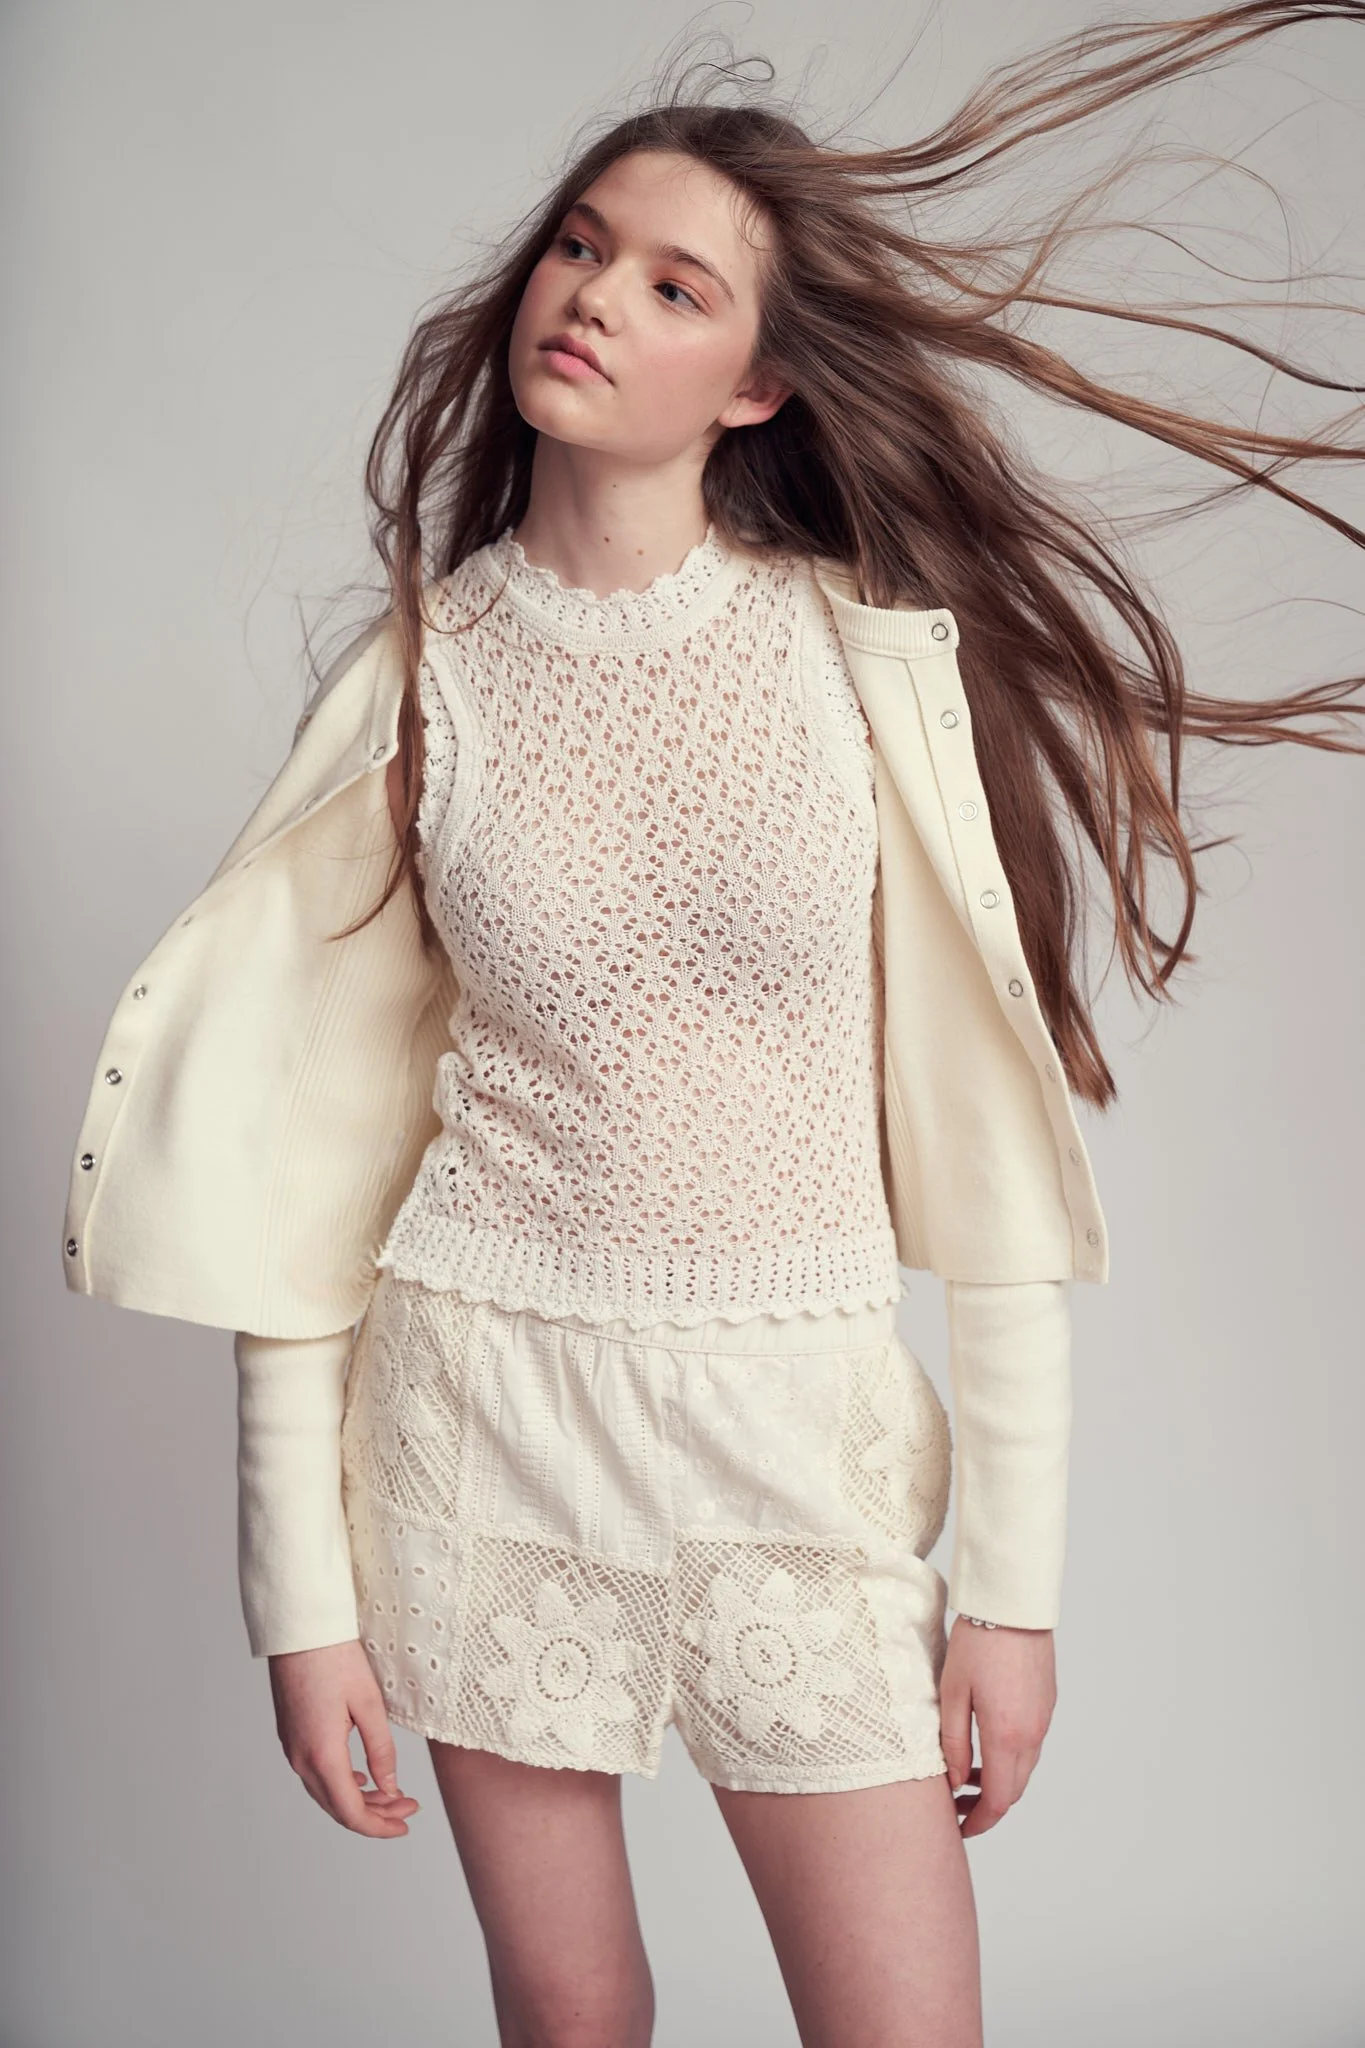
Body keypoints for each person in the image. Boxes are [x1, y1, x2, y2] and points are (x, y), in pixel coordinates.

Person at [61, 8, 1364, 2044]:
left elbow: (992, 1145)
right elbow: (300, 1179)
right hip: (481, 1408)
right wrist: (298, 1604)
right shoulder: (420, 681)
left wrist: (1010, 1590)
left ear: (753, 382)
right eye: (580, 245)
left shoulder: (862, 670)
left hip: (790, 1427)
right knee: (572, 2020)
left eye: (672, 282)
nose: (592, 294)